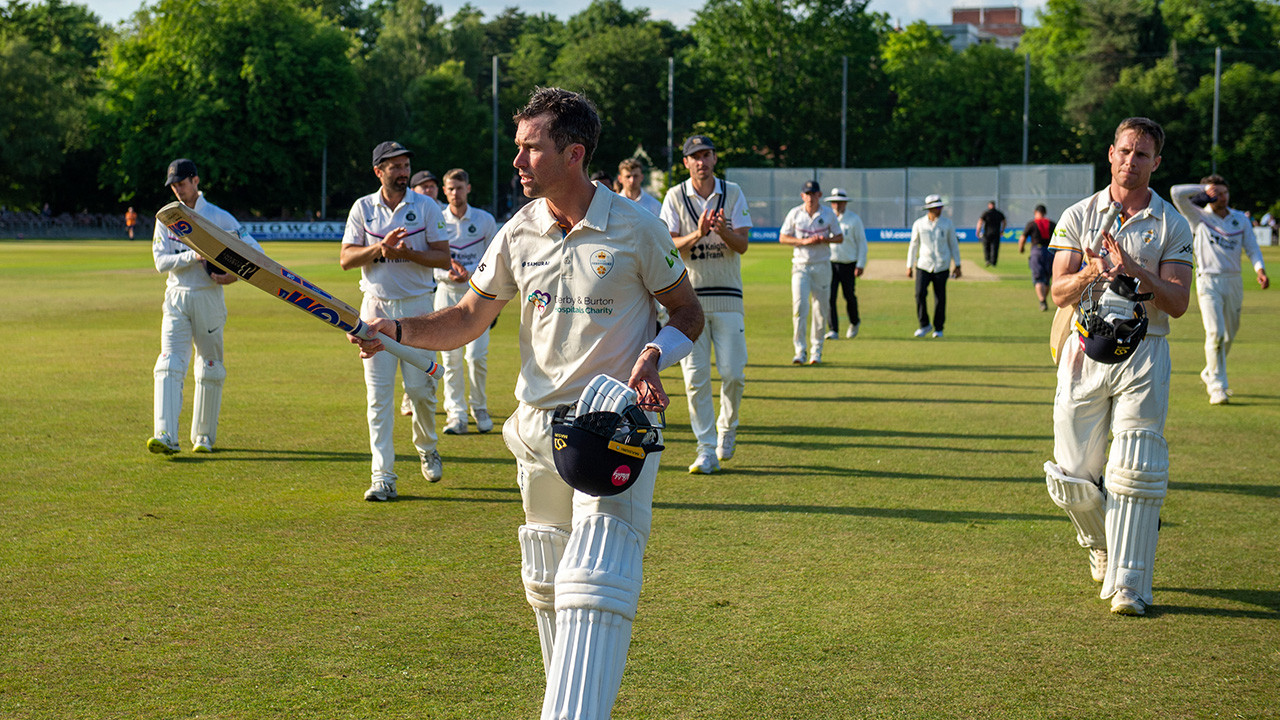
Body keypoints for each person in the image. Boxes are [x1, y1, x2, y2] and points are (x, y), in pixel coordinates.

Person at [350, 87, 703, 720]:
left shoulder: (636, 227)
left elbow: (687, 313)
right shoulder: (519, 231)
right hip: (538, 427)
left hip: (611, 423)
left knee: (595, 582)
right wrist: (393, 332)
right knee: (546, 580)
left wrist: (654, 356)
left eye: (528, 149)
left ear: (572, 154)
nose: (516, 162)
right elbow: (465, 318)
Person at [1043, 117, 1193, 616]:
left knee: (1135, 465)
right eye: (1125, 151)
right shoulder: (1078, 215)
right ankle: (1101, 544)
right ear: (1110, 154)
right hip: (1084, 348)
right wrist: (1092, 270)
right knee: (1072, 475)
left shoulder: (1171, 223)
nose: (1132, 162)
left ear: (1156, 162)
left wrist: (1134, 270)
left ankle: (1130, 585)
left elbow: (1177, 302)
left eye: (1142, 154)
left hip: (1145, 349)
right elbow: (1057, 291)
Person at [340, 141, 451, 501]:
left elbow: (442, 258)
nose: (403, 172)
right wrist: (379, 249)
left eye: (405, 166)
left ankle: (427, 446)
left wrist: (405, 253)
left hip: (419, 309)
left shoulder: (426, 205)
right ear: (378, 171)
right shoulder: (363, 208)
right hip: (375, 309)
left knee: (420, 392)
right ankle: (382, 476)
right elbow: (346, 258)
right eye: (395, 167)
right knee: (378, 398)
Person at [148, 158, 262, 455]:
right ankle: (165, 434)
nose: (178, 191)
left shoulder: (218, 217)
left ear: (195, 181)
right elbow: (161, 262)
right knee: (169, 363)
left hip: (209, 297)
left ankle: (204, 437)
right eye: (173, 186)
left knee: (210, 366)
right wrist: (194, 257)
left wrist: (233, 274)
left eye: (182, 184)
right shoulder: (166, 219)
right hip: (176, 296)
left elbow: (255, 252)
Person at [660, 134, 752, 473]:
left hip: (728, 298)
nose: (701, 161)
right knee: (695, 379)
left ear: (714, 159)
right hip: (689, 303)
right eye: (694, 156)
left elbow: (741, 245)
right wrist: (698, 233)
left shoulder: (733, 191)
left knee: (733, 374)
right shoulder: (674, 196)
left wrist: (723, 231)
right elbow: (669, 247)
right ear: (686, 162)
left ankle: (727, 430)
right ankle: (706, 449)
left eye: (707, 154)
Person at [1170, 175, 1270, 405]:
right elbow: (1176, 192)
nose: (1222, 197)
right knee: (1215, 333)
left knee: (1229, 334)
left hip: (1234, 280)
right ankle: (1217, 386)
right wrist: (1203, 189)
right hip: (1209, 281)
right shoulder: (1198, 216)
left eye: (1224, 192)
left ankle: (1210, 370)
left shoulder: (1239, 219)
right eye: (1217, 193)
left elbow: (1252, 248)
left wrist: (1260, 269)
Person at [435, 168, 499, 434]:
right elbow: (430, 262)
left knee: (476, 357)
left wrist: (473, 275)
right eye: (450, 188)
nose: (454, 193)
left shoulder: (484, 220)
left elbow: (495, 259)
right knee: (450, 359)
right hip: (446, 294)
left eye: (459, 188)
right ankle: (456, 414)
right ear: (444, 190)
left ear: (468, 189)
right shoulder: (437, 220)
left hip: (477, 295)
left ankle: (479, 407)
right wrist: (445, 272)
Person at [780, 180, 843, 363]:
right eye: (807, 194)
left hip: (822, 265)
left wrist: (824, 239)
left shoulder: (829, 214)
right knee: (799, 307)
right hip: (800, 266)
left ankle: (817, 351)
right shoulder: (795, 213)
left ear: (819, 195)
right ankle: (800, 351)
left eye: (813, 194)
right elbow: (783, 237)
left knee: (820, 310)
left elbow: (839, 237)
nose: (810, 197)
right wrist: (803, 242)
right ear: (802, 196)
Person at [907, 194, 961, 338]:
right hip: (923, 264)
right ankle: (924, 325)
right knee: (919, 294)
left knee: (940, 297)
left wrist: (958, 264)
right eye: (936, 207)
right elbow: (914, 245)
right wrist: (909, 265)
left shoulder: (947, 224)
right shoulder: (919, 224)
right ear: (929, 209)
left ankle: (938, 328)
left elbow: (953, 244)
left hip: (942, 265)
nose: (939, 209)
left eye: (940, 207)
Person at [823, 187, 867, 339]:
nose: (837, 205)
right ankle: (833, 329)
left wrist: (860, 264)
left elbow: (862, 243)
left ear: (845, 203)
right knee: (830, 297)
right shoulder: (826, 218)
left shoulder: (854, 219)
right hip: (829, 262)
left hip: (848, 263)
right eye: (834, 203)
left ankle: (854, 321)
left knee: (849, 296)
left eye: (840, 203)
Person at [1019, 204, 1057, 311]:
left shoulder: (1032, 224)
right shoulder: (1052, 224)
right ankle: (1044, 299)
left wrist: (1021, 249)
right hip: (1050, 252)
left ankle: (1042, 301)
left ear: (1035, 212)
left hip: (1037, 251)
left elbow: (1022, 238)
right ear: (1045, 212)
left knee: (1038, 278)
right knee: (1047, 279)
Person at [976, 201, 1006, 267]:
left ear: (989, 205)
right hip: (994, 233)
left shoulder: (986, 213)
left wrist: (978, 231)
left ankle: (988, 260)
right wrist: (1002, 230)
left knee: (987, 247)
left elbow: (980, 222)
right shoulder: (999, 213)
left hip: (988, 233)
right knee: (994, 248)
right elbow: (1004, 222)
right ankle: (992, 262)